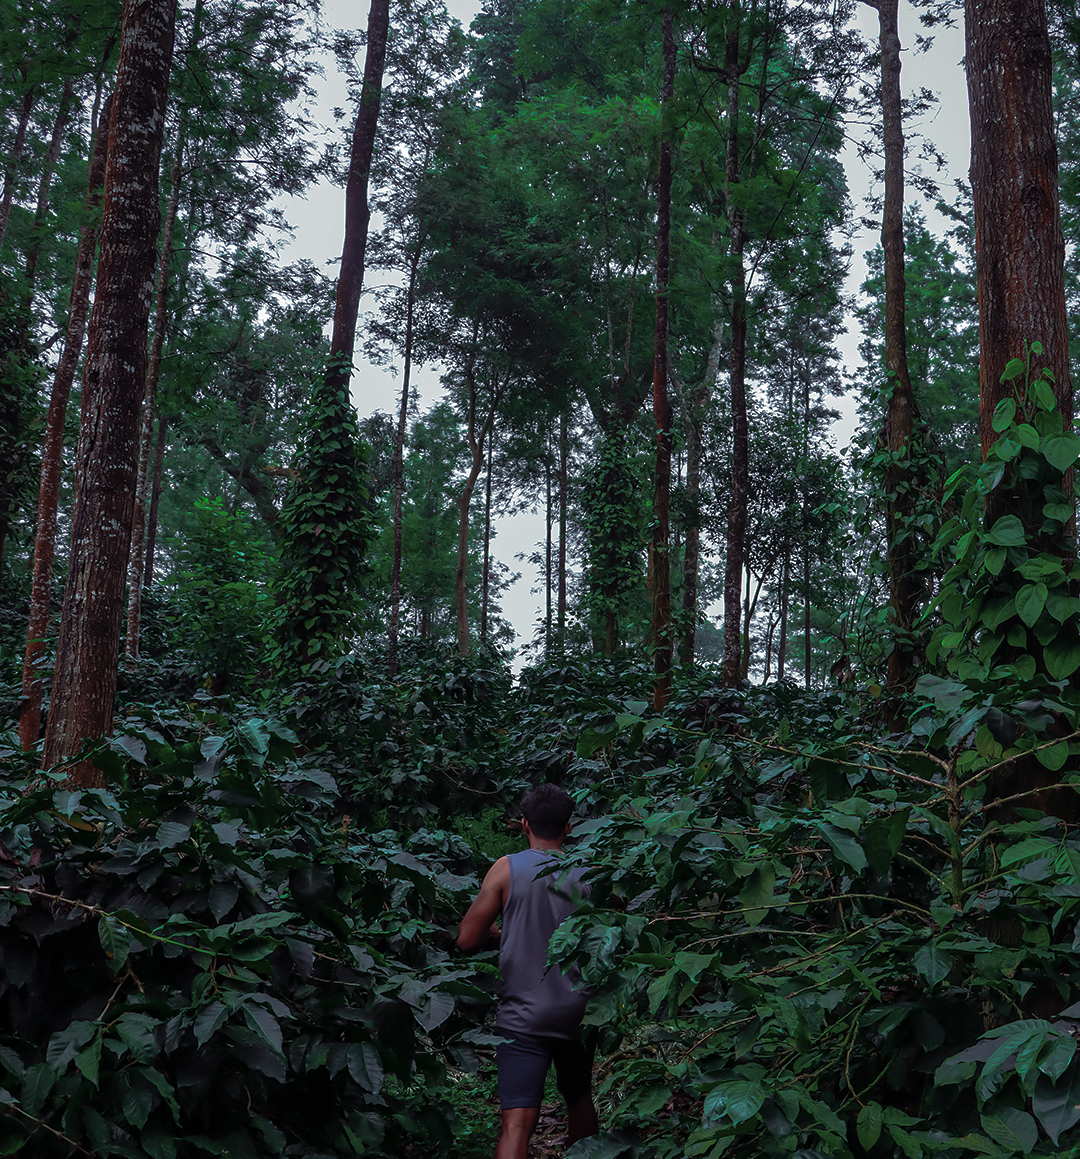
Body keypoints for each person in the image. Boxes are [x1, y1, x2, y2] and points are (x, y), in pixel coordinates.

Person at [457, 783, 599, 1159]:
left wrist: (495, 930)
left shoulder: (507, 869)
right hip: (579, 1013)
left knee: (517, 1122)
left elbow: (466, 939)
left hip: (523, 1014)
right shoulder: (591, 873)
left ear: (524, 825)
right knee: (579, 1098)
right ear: (568, 828)